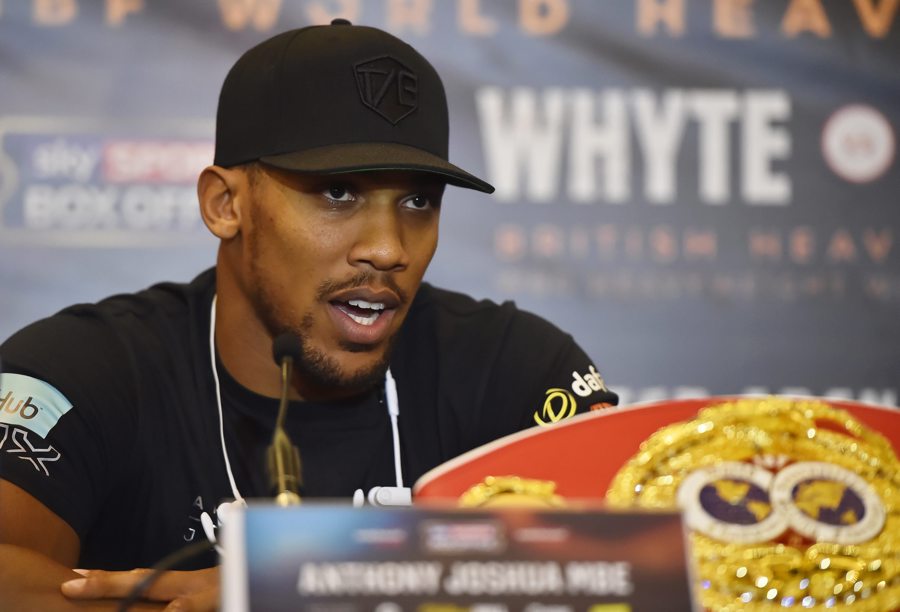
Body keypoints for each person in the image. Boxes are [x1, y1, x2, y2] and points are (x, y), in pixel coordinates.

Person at [0, 20, 618, 611]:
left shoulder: (516, 368)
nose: (389, 248)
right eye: (338, 193)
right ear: (224, 205)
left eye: (417, 201)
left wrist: (294, 587)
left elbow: (635, 565)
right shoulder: (86, 369)